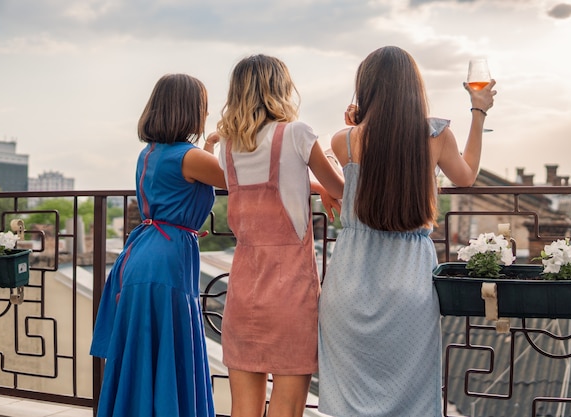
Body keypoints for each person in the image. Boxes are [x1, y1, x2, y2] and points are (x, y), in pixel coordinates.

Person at [317, 45, 496, 417]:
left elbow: (353, 168)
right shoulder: (436, 135)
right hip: (409, 282)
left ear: (366, 87)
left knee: (349, 397)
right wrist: (478, 112)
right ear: (413, 88)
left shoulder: (344, 140)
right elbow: (466, 177)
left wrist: (356, 121)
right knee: (409, 397)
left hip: (349, 283)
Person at [212, 54, 344, 417]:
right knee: (286, 408)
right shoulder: (297, 133)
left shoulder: (228, 147)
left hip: (243, 286)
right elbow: (342, 188)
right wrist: (322, 181)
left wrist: (311, 183)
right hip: (291, 291)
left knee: (244, 409)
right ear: (280, 88)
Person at [90, 73, 226, 417]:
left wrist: (209, 147)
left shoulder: (149, 153)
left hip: (144, 255)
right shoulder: (189, 157)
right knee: (168, 350)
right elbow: (241, 178)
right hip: (165, 262)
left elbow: (185, 184)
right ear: (189, 110)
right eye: (203, 107)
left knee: (143, 355)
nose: (206, 113)